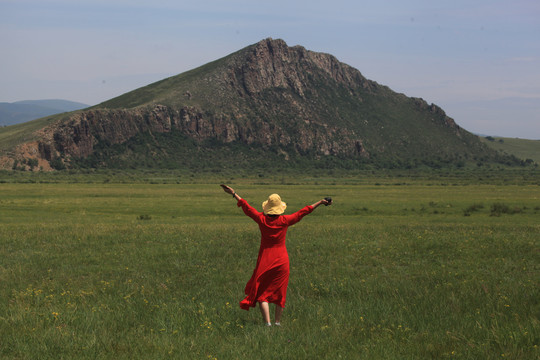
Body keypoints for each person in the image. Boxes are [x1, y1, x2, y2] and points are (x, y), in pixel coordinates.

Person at [220, 184, 332, 327]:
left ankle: (267, 324)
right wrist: (321, 202)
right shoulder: (284, 221)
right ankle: (277, 322)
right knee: (280, 291)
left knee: (262, 292)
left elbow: (247, 207)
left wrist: (233, 193)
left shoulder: (262, 219)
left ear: (267, 207)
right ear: (280, 208)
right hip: (281, 259)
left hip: (265, 259)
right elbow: (303, 212)